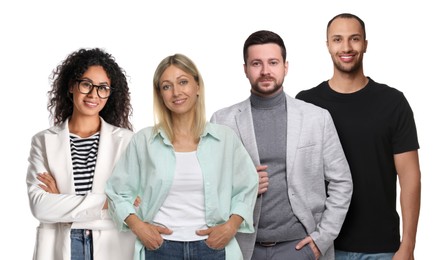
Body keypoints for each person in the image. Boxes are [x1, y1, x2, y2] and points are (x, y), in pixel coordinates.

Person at [210, 30, 353, 260]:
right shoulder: (222, 121)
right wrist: (242, 184)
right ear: (245, 69)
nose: (265, 71)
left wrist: (321, 239)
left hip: (300, 246)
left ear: (285, 67)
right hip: (244, 247)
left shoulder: (317, 118)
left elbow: (342, 182)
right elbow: (208, 186)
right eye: (256, 63)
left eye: (273, 62)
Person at [105, 53, 259, 260]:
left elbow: (247, 186)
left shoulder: (224, 139)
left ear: (197, 86)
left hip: (214, 247)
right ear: (160, 94)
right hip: (160, 248)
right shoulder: (144, 141)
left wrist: (231, 226)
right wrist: (138, 227)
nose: (176, 92)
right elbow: (116, 191)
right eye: (166, 86)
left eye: (183, 82)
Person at [296, 13, 421, 260]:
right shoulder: (306, 103)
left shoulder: (393, 102)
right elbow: (293, 172)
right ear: (328, 45)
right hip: (323, 245)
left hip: (382, 248)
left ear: (365, 44)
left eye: (354, 39)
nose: (346, 47)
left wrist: (407, 246)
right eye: (338, 39)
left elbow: (410, 177)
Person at [26, 48, 136, 260]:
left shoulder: (127, 141)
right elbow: (40, 206)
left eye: (103, 88)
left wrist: (61, 201)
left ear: (110, 93)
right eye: (86, 84)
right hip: (61, 246)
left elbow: (134, 204)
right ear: (71, 86)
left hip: (113, 247)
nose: (94, 94)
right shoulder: (43, 141)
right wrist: (108, 202)